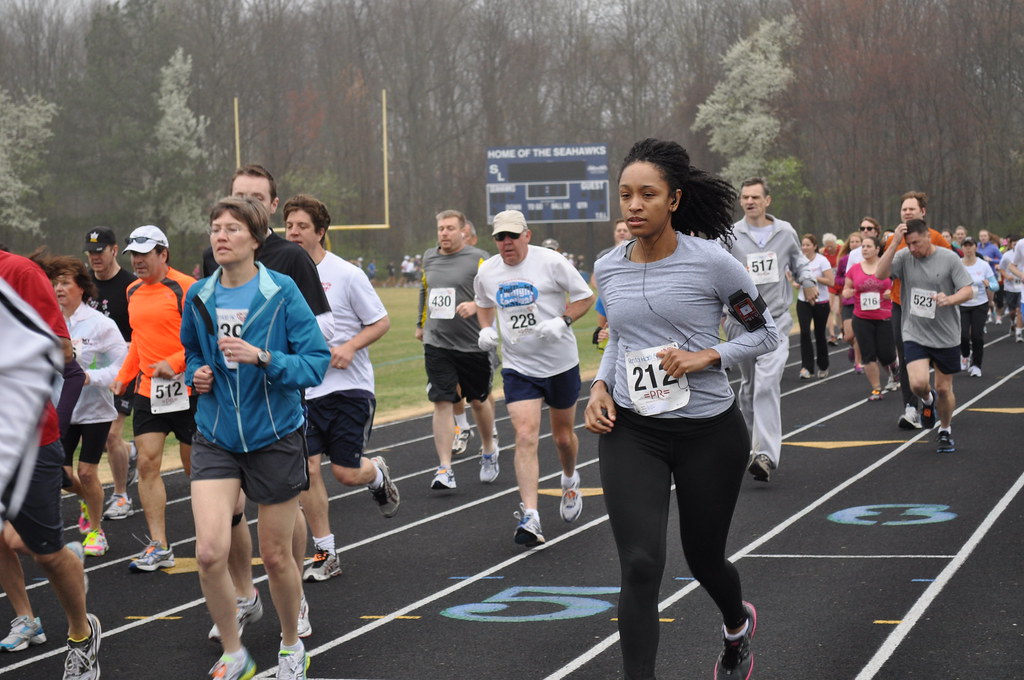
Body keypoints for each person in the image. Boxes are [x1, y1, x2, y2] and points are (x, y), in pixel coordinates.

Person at [586, 138, 776, 680]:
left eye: (648, 194)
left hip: (708, 432)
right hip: (633, 429)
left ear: (674, 200)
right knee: (641, 564)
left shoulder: (714, 263)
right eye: (625, 195)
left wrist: (707, 355)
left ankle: (736, 625)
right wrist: (601, 387)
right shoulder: (608, 267)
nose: (634, 205)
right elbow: (621, 338)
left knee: (704, 558)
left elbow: (764, 335)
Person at [182, 196, 330, 680]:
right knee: (208, 552)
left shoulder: (282, 292)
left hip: (275, 435)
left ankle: (291, 644)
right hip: (216, 435)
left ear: (255, 239)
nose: (220, 236)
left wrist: (264, 357)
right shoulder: (200, 296)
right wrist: (196, 375)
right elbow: (189, 354)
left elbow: (315, 361)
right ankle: (235, 652)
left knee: (276, 555)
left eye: (232, 229)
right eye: (214, 228)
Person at [283, 193, 399, 585]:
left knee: (347, 473)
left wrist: (350, 346)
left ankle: (377, 474)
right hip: (304, 392)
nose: (294, 232)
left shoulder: (346, 274)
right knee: (308, 470)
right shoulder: (280, 277)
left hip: (348, 388)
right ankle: (325, 551)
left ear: (321, 231)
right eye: (289, 226)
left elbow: (380, 321)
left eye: (302, 226)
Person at [0, 250, 101, 678]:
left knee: (41, 552)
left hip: (26, 439)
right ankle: (25, 617)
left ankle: (82, 631)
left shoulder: (18, 274)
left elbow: (62, 353)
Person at [474, 209, 594, 545]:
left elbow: (585, 297)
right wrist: (485, 329)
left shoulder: (551, 262)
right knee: (525, 434)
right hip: (518, 366)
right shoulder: (488, 271)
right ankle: (531, 515)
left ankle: (569, 479)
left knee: (562, 438)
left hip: (559, 363)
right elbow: (482, 302)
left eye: (513, 235)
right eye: (500, 237)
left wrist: (563, 321)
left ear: (527, 234)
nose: (507, 242)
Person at [111, 225, 197, 572]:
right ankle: (158, 545)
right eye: (134, 254)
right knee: (147, 463)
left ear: (164, 254)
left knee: (197, 469)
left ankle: (215, 532)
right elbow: (139, 341)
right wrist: (123, 376)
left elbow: (201, 341)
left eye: (145, 254)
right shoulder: (132, 290)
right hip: (149, 392)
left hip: (189, 390)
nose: (138, 261)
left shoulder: (186, 289)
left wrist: (174, 363)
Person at [722, 177, 817, 483]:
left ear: (767, 201)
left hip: (774, 320)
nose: (749, 202)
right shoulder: (730, 235)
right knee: (750, 388)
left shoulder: (785, 231)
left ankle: (766, 455)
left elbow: (799, 262)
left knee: (766, 384)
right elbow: (713, 269)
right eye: (745, 197)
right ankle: (753, 447)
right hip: (739, 322)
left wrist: (808, 281)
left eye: (755, 197)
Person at [876, 219, 973, 453]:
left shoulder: (948, 258)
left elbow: (969, 290)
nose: (912, 249)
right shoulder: (904, 256)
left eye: (916, 243)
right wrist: (895, 242)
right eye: (908, 244)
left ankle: (945, 430)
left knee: (943, 388)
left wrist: (949, 299)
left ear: (928, 237)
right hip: (915, 331)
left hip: (946, 334)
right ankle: (927, 403)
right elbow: (880, 274)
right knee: (918, 383)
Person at [417, 209, 498, 488]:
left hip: (472, 344)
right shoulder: (429, 257)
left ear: (463, 231)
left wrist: (477, 306)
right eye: (441, 228)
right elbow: (425, 291)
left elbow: (497, 293)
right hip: (437, 342)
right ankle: (444, 468)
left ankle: (489, 448)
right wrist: (421, 323)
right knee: (441, 400)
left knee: (478, 400)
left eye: (450, 228)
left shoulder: (480, 258)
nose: (444, 233)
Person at [53, 256, 127, 556]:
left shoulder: (100, 325)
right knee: (61, 474)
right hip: (60, 410)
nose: (58, 288)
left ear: (82, 288)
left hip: (94, 409)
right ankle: (88, 500)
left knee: (86, 472)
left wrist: (89, 377)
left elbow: (122, 366)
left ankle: (96, 530)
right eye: (55, 282)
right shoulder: (47, 321)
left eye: (65, 283)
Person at [83, 227, 138, 522]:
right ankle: (130, 453)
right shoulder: (84, 284)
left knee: (111, 434)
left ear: (114, 250)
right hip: (92, 372)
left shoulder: (131, 286)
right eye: (90, 253)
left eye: (100, 251)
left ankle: (120, 496)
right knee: (110, 440)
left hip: (124, 367)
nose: (95, 257)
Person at [885, 192, 953, 430]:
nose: (907, 213)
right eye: (904, 209)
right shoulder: (894, 238)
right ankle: (911, 408)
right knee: (905, 356)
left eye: (911, 209)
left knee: (934, 359)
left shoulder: (935, 237)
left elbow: (950, 265)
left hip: (932, 308)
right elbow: (885, 269)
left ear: (922, 212)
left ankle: (936, 397)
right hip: (901, 306)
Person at [843, 235, 896, 400]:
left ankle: (895, 369)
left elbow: (899, 286)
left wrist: (891, 293)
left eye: (868, 246)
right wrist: (847, 293)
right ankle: (876, 389)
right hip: (861, 317)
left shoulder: (888, 267)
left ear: (877, 249)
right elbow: (846, 289)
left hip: (884, 316)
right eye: (863, 246)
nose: (864, 249)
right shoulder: (855, 269)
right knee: (868, 354)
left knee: (886, 355)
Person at [794, 233, 834, 379]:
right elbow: (796, 282)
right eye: (803, 245)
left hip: (821, 302)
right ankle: (807, 368)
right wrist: (797, 282)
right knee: (804, 333)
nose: (805, 248)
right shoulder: (799, 261)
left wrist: (812, 277)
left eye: (807, 245)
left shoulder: (822, 261)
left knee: (819, 334)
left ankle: (823, 366)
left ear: (815, 246)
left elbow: (831, 282)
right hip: (803, 301)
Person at [957, 237, 998, 377]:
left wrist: (989, 285)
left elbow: (995, 285)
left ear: (975, 248)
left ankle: (976, 365)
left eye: (970, 246)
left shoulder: (983, 265)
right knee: (962, 335)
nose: (968, 249)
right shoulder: (957, 265)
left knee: (977, 336)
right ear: (962, 248)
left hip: (980, 304)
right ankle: (965, 355)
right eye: (965, 246)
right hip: (962, 303)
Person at [998, 234, 1022, 342]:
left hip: (1021, 288)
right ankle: (1013, 322)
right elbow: (1001, 268)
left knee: (1018, 310)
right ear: (1011, 245)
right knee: (1012, 312)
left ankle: (1018, 334)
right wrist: (1007, 276)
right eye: (1014, 244)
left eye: (1017, 244)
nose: (1016, 246)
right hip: (1010, 287)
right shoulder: (1007, 256)